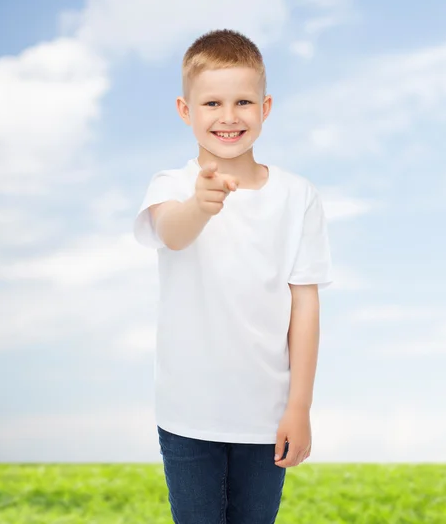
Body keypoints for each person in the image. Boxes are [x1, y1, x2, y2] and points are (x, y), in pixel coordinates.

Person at [133, 29, 333, 524]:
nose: (228, 116)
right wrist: (200, 206)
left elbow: (304, 306)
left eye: (243, 101)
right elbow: (172, 233)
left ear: (265, 108)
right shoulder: (172, 186)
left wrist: (299, 407)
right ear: (186, 110)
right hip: (187, 413)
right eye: (212, 103)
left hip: (267, 417)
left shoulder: (297, 195)